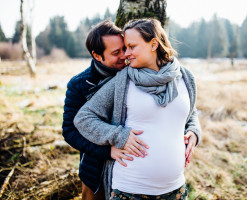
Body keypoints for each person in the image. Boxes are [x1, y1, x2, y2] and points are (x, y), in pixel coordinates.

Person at [74, 18, 201, 200]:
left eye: (131, 47)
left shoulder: (185, 77)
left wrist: (194, 132)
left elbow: (191, 113)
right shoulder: (123, 80)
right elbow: (84, 118)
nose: (126, 54)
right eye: (124, 48)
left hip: (175, 189)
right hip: (130, 189)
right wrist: (119, 135)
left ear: (154, 44)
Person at [62, 20, 136, 200]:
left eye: (124, 48)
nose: (124, 55)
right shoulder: (79, 85)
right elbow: (70, 131)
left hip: (132, 170)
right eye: (116, 52)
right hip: (95, 172)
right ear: (97, 55)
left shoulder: (136, 73)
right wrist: (107, 151)